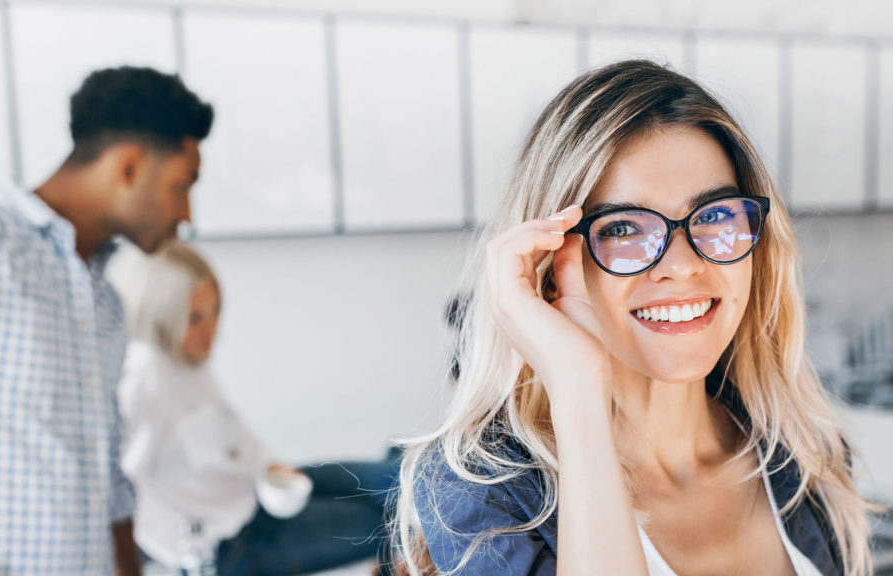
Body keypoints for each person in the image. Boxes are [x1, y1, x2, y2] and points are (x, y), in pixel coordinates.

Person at [392, 60, 875, 576]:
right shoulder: (484, 495)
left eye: (715, 215)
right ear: (550, 266)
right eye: (623, 228)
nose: (683, 265)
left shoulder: (805, 454)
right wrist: (579, 387)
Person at [0, 66, 212, 575]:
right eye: (181, 185)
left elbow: (108, 482)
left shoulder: (103, 297)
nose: (186, 213)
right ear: (129, 166)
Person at [108, 242, 399, 576]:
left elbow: (234, 432)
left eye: (216, 310)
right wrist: (183, 552)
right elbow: (118, 489)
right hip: (234, 545)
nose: (211, 331)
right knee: (389, 522)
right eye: (195, 318)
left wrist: (268, 464)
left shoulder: (187, 364)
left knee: (394, 477)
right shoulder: (145, 378)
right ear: (160, 316)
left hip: (254, 496)